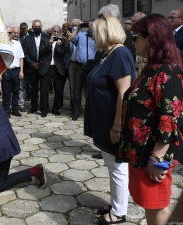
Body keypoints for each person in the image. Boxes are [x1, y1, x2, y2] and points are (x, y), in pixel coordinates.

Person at [119, 14, 183, 225]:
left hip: (153, 156)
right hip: (140, 152)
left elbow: (170, 118)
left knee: (158, 207)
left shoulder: (166, 71)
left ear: (151, 38)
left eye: (136, 35)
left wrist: (157, 159)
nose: (133, 40)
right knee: (150, 204)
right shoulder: (150, 68)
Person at [84, 15, 136, 224]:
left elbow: (124, 93)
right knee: (112, 166)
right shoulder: (108, 54)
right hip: (104, 121)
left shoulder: (120, 54)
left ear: (105, 33)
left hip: (113, 124)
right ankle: (115, 203)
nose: (93, 37)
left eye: (95, 33)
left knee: (118, 168)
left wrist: (117, 126)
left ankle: (119, 212)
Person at [69, 20, 96, 121]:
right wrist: (78, 29)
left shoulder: (97, 36)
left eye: (91, 25)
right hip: (80, 65)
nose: (89, 27)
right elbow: (70, 38)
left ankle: (89, 111)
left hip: (91, 65)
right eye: (88, 25)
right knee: (77, 89)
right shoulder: (81, 35)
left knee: (89, 90)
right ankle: (76, 112)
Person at [38, 25, 67, 117]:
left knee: (58, 90)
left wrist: (58, 47)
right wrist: (49, 45)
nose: (55, 33)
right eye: (54, 31)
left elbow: (64, 54)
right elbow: (41, 51)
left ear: (60, 32)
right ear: (51, 32)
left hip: (57, 68)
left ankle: (55, 108)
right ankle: (44, 109)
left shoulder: (62, 40)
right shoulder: (44, 39)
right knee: (44, 90)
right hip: (46, 67)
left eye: (57, 32)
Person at [23, 19, 48, 114]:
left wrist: (42, 63)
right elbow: (24, 53)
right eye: (35, 27)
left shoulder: (46, 37)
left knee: (43, 89)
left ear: (41, 27)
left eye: (39, 27)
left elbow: (48, 52)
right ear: (32, 28)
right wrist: (31, 63)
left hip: (43, 67)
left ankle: (43, 108)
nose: (37, 28)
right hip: (32, 67)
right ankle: (34, 107)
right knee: (33, 88)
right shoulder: (27, 39)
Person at [1, 26, 24, 118]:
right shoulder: (1, 45)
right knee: (6, 92)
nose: (9, 35)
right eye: (7, 33)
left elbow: (21, 58)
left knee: (16, 91)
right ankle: (6, 110)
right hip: (5, 70)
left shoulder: (17, 44)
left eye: (10, 33)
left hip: (16, 70)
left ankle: (15, 109)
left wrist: (21, 71)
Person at [11, 26, 27, 113]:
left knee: (20, 88)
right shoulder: (6, 43)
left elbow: (22, 57)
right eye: (14, 33)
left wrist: (21, 71)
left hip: (18, 69)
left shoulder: (20, 42)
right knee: (10, 89)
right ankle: (11, 105)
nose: (16, 34)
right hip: (9, 70)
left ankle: (21, 104)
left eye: (17, 33)